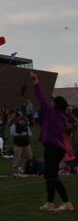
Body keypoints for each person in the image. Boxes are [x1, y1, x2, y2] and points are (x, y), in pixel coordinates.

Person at [31, 72, 73, 211]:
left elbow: (41, 98)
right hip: (57, 148)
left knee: (52, 176)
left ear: (56, 105)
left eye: (53, 101)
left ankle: (66, 202)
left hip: (53, 148)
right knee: (49, 175)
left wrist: (36, 82)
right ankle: (50, 203)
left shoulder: (51, 112)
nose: (50, 102)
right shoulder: (61, 117)